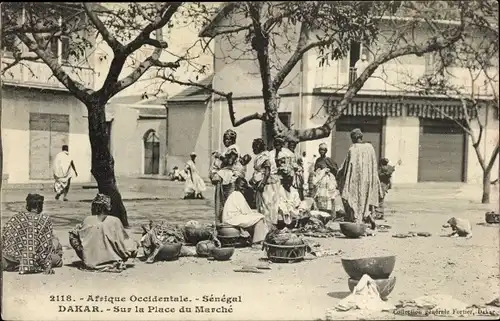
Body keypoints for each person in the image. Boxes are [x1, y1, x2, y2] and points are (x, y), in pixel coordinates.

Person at [69, 193, 138, 272]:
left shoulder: (88, 219)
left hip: (90, 262)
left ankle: (90, 257)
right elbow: (124, 242)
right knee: (131, 243)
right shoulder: (115, 220)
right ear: (108, 208)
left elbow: (73, 235)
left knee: (73, 234)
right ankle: (111, 257)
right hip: (113, 260)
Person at [2, 194, 62, 274]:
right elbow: (44, 247)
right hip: (30, 260)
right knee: (58, 258)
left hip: (9, 260)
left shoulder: (16, 218)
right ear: (40, 206)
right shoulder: (44, 220)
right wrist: (47, 266)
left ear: (28, 205)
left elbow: (4, 237)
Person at [337, 128, 381, 230]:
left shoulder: (353, 149)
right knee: (366, 199)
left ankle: (357, 222)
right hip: (368, 179)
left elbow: (346, 165)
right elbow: (374, 164)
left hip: (355, 180)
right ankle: (368, 215)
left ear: (354, 138)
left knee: (354, 200)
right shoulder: (370, 147)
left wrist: (339, 173)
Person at [222, 177, 269, 245]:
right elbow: (246, 211)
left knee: (256, 216)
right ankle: (257, 241)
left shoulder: (233, 194)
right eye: (242, 186)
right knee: (260, 217)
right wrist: (255, 214)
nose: (243, 189)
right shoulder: (238, 195)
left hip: (229, 218)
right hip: (233, 219)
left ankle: (253, 238)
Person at [250, 138, 280, 227]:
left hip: (268, 184)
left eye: (255, 147)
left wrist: (262, 183)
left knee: (268, 205)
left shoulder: (265, 156)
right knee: (263, 205)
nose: (254, 149)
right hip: (264, 182)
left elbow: (267, 171)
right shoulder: (261, 156)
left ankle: (268, 226)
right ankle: (263, 226)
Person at [310, 143, 339, 215]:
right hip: (319, 181)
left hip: (326, 181)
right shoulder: (318, 160)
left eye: (323, 150)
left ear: (326, 151)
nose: (321, 151)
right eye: (320, 150)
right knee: (319, 196)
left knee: (327, 196)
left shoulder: (328, 160)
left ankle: (328, 213)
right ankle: (320, 212)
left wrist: (328, 171)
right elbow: (315, 169)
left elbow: (335, 169)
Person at [286, 136, 305, 200]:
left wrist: (299, 169)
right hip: (288, 173)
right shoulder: (285, 153)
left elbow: (301, 165)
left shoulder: (297, 155)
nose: (292, 147)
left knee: (297, 188)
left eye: (293, 146)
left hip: (296, 175)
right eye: (291, 145)